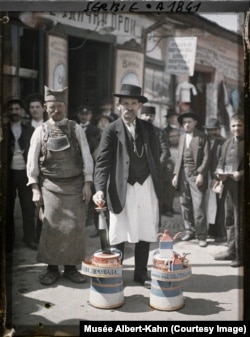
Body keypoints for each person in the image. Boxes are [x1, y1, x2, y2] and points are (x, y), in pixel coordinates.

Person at [92, 84, 162, 287]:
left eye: (133, 103)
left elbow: (155, 158)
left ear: (139, 105)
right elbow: (102, 162)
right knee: (118, 231)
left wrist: (159, 184)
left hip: (145, 185)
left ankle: (141, 274)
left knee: (145, 228)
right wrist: (99, 188)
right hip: (121, 187)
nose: (129, 107)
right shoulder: (111, 130)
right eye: (125, 104)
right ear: (118, 105)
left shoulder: (148, 128)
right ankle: (116, 273)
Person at [26, 86, 94, 285]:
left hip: (75, 186)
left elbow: (87, 158)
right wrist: (35, 189)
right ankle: (52, 269)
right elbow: (32, 162)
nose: (56, 110)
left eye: (60, 106)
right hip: (49, 187)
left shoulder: (76, 128)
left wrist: (87, 184)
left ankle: (72, 268)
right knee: (51, 228)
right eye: (52, 107)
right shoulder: (40, 130)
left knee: (74, 228)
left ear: (65, 107)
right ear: (46, 108)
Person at [172, 110, 210, 247]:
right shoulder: (182, 137)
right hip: (183, 174)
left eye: (189, 122)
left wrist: (201, 173)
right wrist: (176, 174)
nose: (186, 125)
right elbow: (179, 157)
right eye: (184, 122)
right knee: (185, 204)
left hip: (196, 175)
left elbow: (207, 157)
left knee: (198, 205)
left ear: (195, 123)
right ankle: (189, 231)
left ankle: (201, 235)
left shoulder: (202, 137)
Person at [5, 98, 37, 251]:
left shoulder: (29, 129)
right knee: (7, 207)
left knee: (28, 206)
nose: (14, 112)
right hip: (8, 174)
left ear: (22, 111)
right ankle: (9, 241)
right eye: (11, 110)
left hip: (25, 173)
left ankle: (29, 238)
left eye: (17, 109)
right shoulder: (3, 129)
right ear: (7, 112)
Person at [214, 113, 244, 267]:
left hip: (242, 189)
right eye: (233, 125)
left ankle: (241, 255)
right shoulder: (226, 144)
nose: (236, 128)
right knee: (229, 220)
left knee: (240, 222)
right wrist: (219, 174)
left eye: (239, 125)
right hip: (228, 188)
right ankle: (231, 250)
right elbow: (220, 162)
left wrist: (242, 173)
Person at [139, 105, 171, 219]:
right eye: (146, 115)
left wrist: (157, 167)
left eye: (151, 115)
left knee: (154, 199)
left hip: (155, 173)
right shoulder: (135, 131)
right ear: (141, 116)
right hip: (138, 172)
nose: (148, 118)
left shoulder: (160, 132)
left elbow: (166, 152)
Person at [26, 93, 48, 242]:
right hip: (28, 171)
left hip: (45, 173)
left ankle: (42, 238)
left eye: (37, 107)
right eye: (31, 107)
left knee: (44, 207)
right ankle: (29, 237)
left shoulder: (48, 125)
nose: (34, 110)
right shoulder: (25, 126)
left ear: (43, 108)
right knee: (28, 206)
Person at [204, 118, 226, 242]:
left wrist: (217, 176)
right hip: (205, 176)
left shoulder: (223, 142)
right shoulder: (205, 140)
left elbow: (223, 160)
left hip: (217, 177)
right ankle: (209, 229)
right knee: (208, 205)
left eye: (214, 130)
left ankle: (219, 231)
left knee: (219, 204)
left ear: (219, 129)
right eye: (210, 130)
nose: (212, 132)